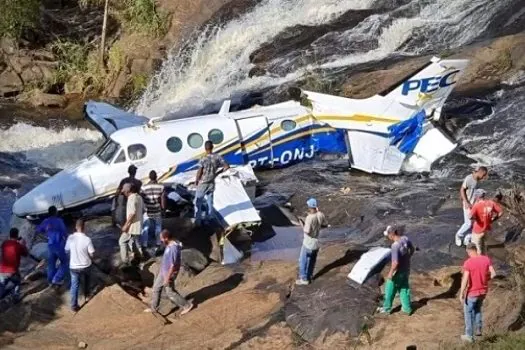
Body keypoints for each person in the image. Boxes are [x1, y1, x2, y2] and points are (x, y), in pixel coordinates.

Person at [146, 229, 193, 316]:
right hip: (163, 271)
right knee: (156, 287)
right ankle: (154, 308)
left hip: (169, 273)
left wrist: (167, 278)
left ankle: (187, 305)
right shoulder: (169, 244)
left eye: (162, 238)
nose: (161, 240)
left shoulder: (173, 248)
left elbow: (173, 265)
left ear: (166, 238)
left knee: (170, 292)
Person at [459, 242, 497, 343]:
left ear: (468, 251)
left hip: (472, 292)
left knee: (468, 312)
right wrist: (485, 279)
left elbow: (465, 279)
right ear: (476, 249)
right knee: (478, 309)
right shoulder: (486, 259)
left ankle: (469, 336)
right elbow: (493, 274)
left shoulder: (468, 262)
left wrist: (461, 293)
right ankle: (478, 329)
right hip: (483, 291)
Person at [378, 225, 415, 315]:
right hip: (406, 269)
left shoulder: (395, 246)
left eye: (388, 235)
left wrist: (390, 273)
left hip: (397, 272)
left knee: (389, 288)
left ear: (392, 234)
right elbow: (412, 249)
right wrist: (408, 258)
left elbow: (395, 263)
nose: (387, 237)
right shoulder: (405, 239)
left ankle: (386, 308)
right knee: (404, 288)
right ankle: (407, 309)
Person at [194, 141, 229, 225]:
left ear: (205, 148)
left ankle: (198, 221)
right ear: (212, 147)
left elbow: (200, 171)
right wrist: (217, 173)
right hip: (211, 182)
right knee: (210, 201)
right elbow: (226, 166)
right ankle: (209, 219)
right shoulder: (217, 157)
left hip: (203, 183)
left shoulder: (203, 158)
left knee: (197, 202)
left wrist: (196, 180)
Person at [296, 198, 328, 285]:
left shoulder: (309, 218)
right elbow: (325, 225)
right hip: (316, 243)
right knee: (312, 261)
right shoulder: (321, 215)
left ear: (309, 207)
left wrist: (302, 224)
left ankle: (303, 279)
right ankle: (309, 276)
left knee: (303, 261)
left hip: (308, 243)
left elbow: (307, 231)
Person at [65, 219, 95, 312]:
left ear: (76, 227)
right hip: (86, 265)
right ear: (84, 227)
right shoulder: (87, 239)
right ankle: (87, 296)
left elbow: (66, 250)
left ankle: (74, 305)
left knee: (74, 285)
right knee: (87, 280)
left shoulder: (70, 238)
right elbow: (92, 254)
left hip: (74, 267)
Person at [36, 206, 68, 287]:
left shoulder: (45, 221)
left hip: (50, 245)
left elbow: (38, 229)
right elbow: (64, 233)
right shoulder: (59, 221)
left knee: (51, 264)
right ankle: (56, 279)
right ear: (55, 212)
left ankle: (50, 280)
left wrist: (46, 233)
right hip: (59, 245)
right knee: (64, 263)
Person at [455, 167, 488, 247]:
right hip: (468, 204)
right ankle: (458, 235)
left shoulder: (478, 180)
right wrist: (466, 202)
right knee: (468, 223)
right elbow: (462, 190)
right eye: (483, 175)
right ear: (480, 172)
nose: (483, 177)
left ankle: (467, 239)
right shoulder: (469, 178)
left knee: (474, 224)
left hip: (474, 205)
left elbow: (476, 192)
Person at [469, 189, 503, 255]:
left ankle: (479, 262)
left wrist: (476, 219)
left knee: (477, 248)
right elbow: (501, 212)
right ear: (484, 196)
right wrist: (493, 220)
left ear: (477, 197)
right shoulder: (491, 203)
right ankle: (485, 258)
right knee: (484, 246)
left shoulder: (476, 205)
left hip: (477, 230)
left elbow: (470, 217)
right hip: (486, 229)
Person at [141, 170, 166, 254]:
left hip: (147, 211)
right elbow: (162, 200)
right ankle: (158, 244)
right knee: (158, 228)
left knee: (145, 228)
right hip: (157, 210)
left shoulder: (144, 187)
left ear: (149, 177)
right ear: (156, 177)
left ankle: (144, 245)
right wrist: (163, 209)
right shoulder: (161, 187)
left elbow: (142, 199)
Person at [0, 228, 28, 302]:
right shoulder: (18, 246)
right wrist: (23, 244)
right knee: (17, 282)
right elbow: (25, 254)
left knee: (1, 286)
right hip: (13, 272)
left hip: (2, 271)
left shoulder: (4, 243)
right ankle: (15, 297)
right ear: (17, 235)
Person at [120, 183, 144, 265]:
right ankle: (139, 257)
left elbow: (132, 213)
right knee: (134, 242)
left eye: (124, 191)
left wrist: (126, 225)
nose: (123, 193)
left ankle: (125, 261)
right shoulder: (139, 197)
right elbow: (142, 210)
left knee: (122, 241)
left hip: (132, 226)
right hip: (138, 224)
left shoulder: (131, 198)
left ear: (127, 191)